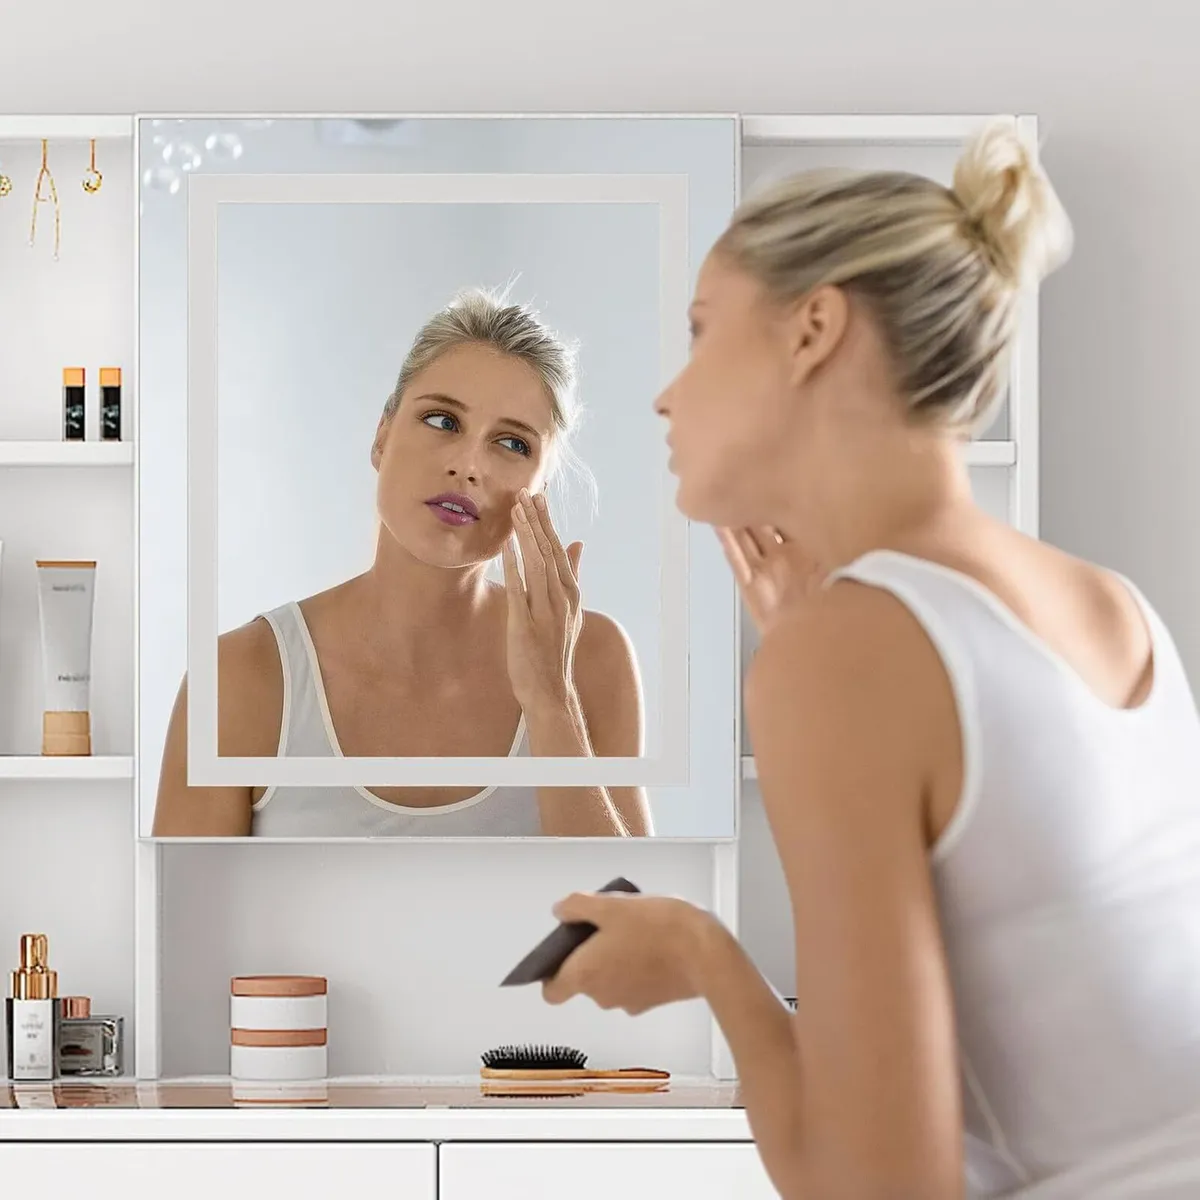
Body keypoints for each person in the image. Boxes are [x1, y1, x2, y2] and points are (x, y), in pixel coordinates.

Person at [540, 121, 1200, 1198]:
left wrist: (708, 959)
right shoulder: (1106, 604)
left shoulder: (846, 658)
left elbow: (881, 1192)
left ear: (812, 329)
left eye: (702, 330)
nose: (668, 392)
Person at [153, 288, 652, 838]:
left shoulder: (592, 662)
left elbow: (629, 916)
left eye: (511, 444)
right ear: (382, 436)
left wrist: (551, 701)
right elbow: (184, 920)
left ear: (541, 487)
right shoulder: (239, 679)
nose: (468, 466)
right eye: (442, 421)